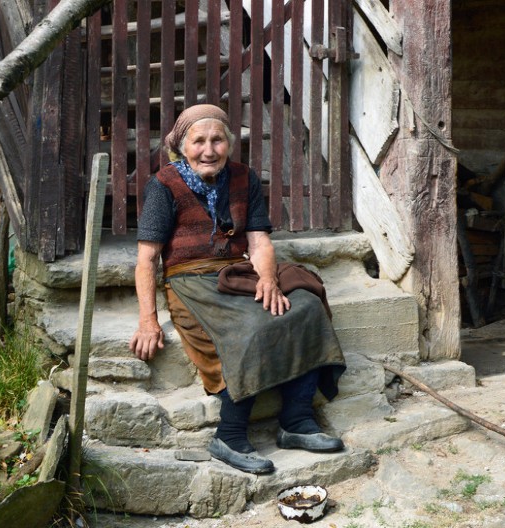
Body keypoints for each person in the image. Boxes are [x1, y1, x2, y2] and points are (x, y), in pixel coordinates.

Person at [129, 104, 346, 475]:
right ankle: (229, 435)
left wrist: (268, 279)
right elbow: (147, 259)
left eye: (217, 140)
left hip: (237, 272)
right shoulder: (164, 184)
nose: (208, 150)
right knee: (248, 329)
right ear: (181, 146)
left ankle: (296, 421)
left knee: (306, 305)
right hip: (189, 280)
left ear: (229, 144)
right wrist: (148, 321)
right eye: (198, 141)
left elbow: (259, 242)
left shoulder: (243, 178)